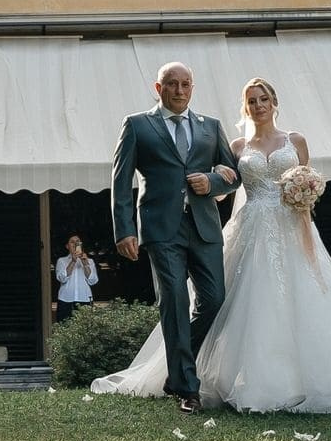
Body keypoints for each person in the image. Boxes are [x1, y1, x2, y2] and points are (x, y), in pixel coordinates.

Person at [94, 76, 331, 413]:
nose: (259, 106)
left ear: (274, 102)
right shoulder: (236, 146)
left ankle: (306, 378)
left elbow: (309, 181)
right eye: (252, 101)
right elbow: (227, 185)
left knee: (291, 300)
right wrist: (211, 181)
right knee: (244, 301)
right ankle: (198, 377)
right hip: (247, 227)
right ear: (245, 106)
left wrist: (304, 195)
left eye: (263, 99)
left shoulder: (295, 140)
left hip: (293, 227)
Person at [99, 60, 240, 414]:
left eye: (186, 84)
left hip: (205, 227)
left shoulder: (211, 126)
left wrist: (213, 181)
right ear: (158, 88)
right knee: (175, 299)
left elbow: (234, 175)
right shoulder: (137, 125)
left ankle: (175, 367)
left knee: (214, 299)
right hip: (162, 230)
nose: (179, 90)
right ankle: (187, 389)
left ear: (193, 88)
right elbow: (120, 180)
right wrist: (124, 229)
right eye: (172, 84)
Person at [53, 235, 97, 323]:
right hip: (65, 299)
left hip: (84, 298)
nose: (75, 243)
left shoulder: (90, 261)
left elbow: (92, 281)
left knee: (85, 329)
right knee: (64, 327)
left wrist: (85, 264)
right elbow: (62, 278)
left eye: (77, 241)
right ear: (67, 246)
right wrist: (73, 261)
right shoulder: (61, 261)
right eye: (72, 242)